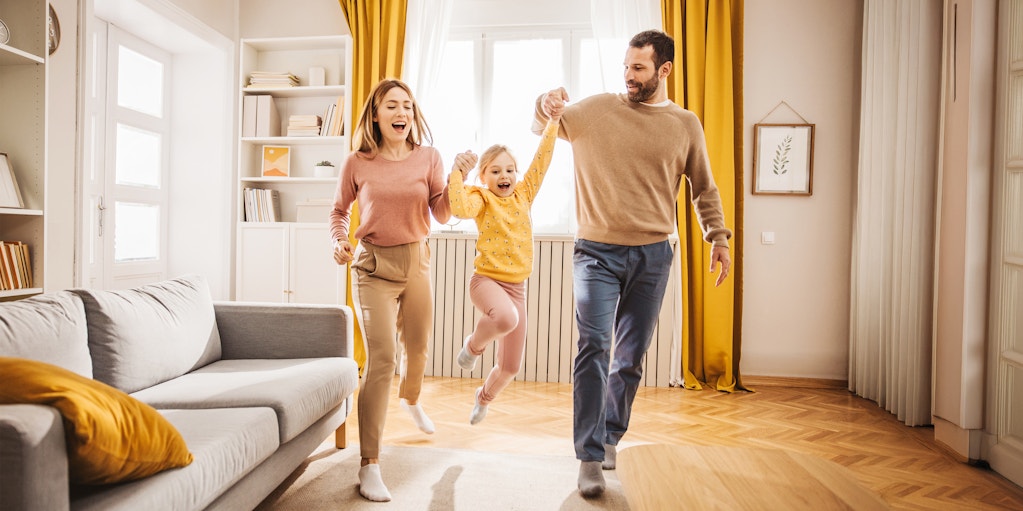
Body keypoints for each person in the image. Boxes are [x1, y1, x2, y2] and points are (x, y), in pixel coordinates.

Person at [532, 29, 733, 498]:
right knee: (594, 346)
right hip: (595, 252)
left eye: (639, 68)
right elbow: (546, 122)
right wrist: (543, 102)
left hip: (654, 254)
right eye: (626, 66)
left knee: (629, 358)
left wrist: (717, 237)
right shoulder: (598, 109)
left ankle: (608, 438)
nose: (629, 76)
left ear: (664, 70)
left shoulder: (685, 124)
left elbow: (704, 187)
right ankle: (587, 455)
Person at [329, 78, 474, 502]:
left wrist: (457, 178)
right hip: (372, 266)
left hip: (417, 263)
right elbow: (340, 211)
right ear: (376, 114)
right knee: (382, 358)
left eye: (407, 106)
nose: (402, 113)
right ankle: (369, 463)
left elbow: (442, 213)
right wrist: (338, 241)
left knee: (418, 346)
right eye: (392, 106)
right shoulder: (357, 161)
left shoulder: (428, 157)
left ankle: (411, 398)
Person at [448, 111, 563, 426]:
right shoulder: (481, 199)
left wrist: (553, 122)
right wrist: (456, 175)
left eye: (510, 170)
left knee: (511, 366)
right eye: (496, 170)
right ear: (483, 176)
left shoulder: (524, 194)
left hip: (517, 288)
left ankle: (483, 397)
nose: (505, 176)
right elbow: (458, 207)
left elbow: (542, 160)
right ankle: (473, 346)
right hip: (485, 282)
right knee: (506, 318)